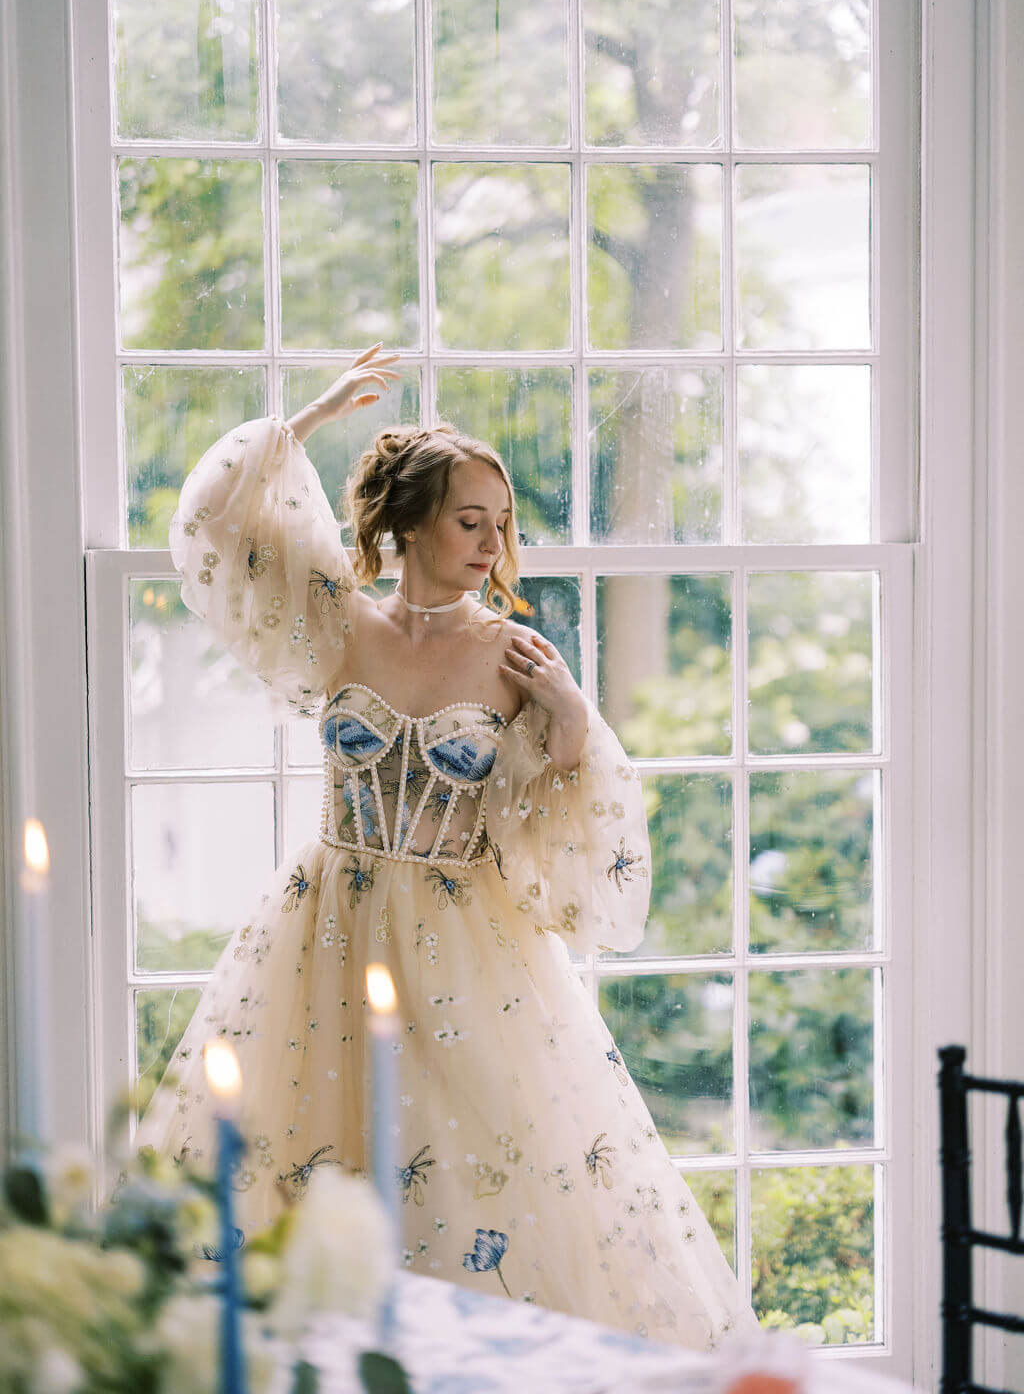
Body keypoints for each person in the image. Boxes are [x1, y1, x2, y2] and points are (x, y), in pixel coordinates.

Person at [136, 341, 760, 1349]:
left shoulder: (511, 653)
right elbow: (219, 522)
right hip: (327, 925)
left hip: (467, 946)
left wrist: (563, 709)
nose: (491, 542)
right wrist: (307, 420)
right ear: (411, 523)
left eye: (500, 524)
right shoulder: (338, 626)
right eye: (471, 521)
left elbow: (566, 801)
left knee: (477, 1168)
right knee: (304, 1157)